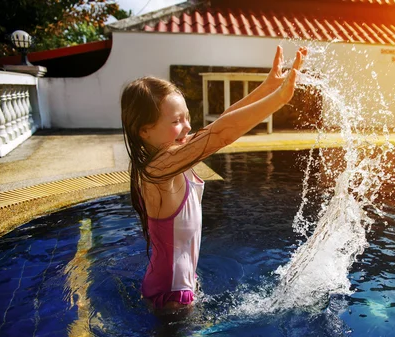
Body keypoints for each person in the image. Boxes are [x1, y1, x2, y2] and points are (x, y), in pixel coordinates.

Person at [121, 45, 307, 312]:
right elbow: (221, 133)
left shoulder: (176, 155)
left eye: (187, 117)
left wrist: (267, 88)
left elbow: (221, 123)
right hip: (171, 294)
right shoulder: (157, 171)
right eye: (176, 121)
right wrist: (278, 99)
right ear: (145, 131)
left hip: (179, 283)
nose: (187, 126)